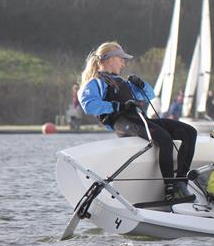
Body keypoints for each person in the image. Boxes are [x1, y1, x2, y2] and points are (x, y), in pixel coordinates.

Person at [79, 41, 198, 201]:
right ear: (108, 59)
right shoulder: (95, 83)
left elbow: (149, 94)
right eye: (120, 59)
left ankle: (180, 182)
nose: (123, 63)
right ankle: (169, 189)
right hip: (122, 123)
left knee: (190, 132)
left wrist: (141, 84)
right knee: (164, 139)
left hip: (140, 120)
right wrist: (119, 106)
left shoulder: (123, 82)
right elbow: (89, 105)